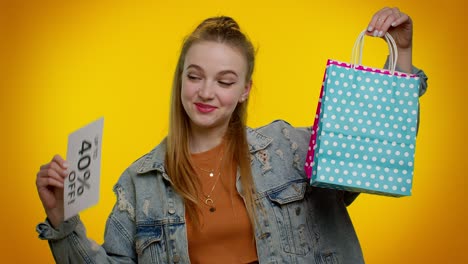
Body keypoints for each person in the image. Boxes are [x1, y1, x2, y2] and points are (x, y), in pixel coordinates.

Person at [36, 7, 428, 264]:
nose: (206, 92)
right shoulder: (140, 184)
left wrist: (401, 54)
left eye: (224, 81)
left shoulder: (288, 149)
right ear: (180, 82)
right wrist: (62, 220)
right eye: (195, 77)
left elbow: (376, 146)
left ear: (244, 90)